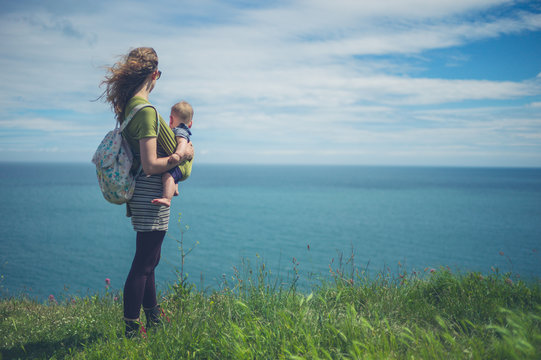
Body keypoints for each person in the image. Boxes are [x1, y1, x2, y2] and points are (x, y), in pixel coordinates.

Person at [99, 47, 194, 337]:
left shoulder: (129, 108)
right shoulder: (147, 112)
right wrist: (182, 155)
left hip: (144, 191)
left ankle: (153, 318)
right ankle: (131, 328)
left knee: (150, 259)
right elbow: (152, 164)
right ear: (155, 75)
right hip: (151, 191)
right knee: (143, 262)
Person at [152, 101, 194, 207]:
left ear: (170, 119)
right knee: (173, 174)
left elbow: (182, 143)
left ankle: (167, 198)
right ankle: (174, 189)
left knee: (168, 176)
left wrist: (178, 155)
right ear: (191, 123)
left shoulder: (179, 130)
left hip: (182, 166)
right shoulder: (184, 130)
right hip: (184, 167)